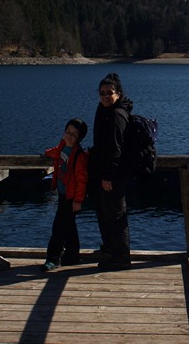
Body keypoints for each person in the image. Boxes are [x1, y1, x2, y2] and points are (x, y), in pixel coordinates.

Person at [90, 73, 134, 271]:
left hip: (113, 176)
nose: (105, 96)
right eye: (102, 93)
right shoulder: (105, 110)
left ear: (118, 93)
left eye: (110, 93)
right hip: (103, 172)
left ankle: (121, 257)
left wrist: (109, 176)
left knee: (116, 216)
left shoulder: (117, 115)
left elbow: (116, 149)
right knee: (105, 213)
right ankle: (110, 250)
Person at [41, 118, 89, 271]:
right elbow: (55, 153)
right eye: (67, 132)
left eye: (74, 135)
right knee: (69, 226)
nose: (69, 136)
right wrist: (46, 153)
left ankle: (53, 258)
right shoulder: (62, 148)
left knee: (59, 227)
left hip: (71, 197)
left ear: (79, 138)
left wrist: (78, 200)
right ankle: (72, 255)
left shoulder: (79, 155)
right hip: (62, 194)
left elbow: (82, 180)